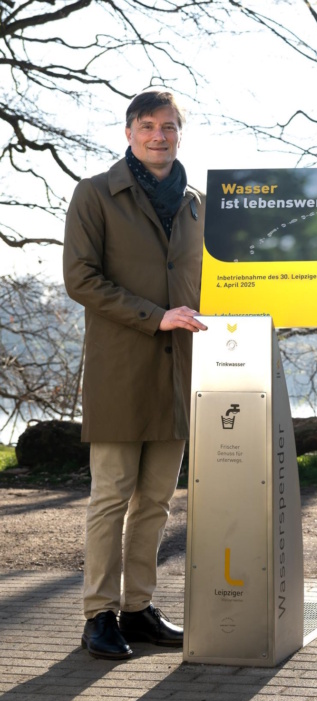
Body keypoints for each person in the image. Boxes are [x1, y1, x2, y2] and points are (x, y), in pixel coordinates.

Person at [63, 89, 208, 660]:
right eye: (147, 126)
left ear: (179, 133)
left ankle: (139, 609)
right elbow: (81, 279)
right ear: (128, 133)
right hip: (120, 372)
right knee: (111, 497)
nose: (158, 136)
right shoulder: (95, 194)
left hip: (180, 374)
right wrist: (156, 316)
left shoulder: (198, 204)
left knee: (155, 502)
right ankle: (98, 614)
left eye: (168, 126)